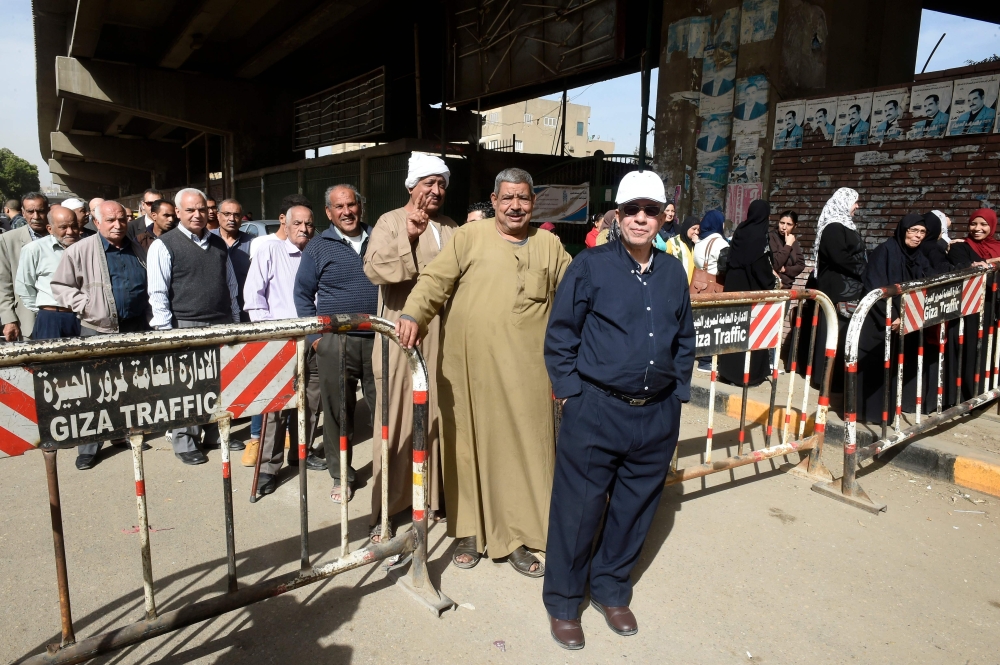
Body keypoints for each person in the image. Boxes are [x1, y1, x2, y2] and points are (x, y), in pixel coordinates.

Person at [542, 170, 694, 649]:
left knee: (634, 508)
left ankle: (610, 586)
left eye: (651, 210)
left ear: (664, 216)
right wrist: (571, 393)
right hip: (596, 409)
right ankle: (565, 601)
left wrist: (678, 393)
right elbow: (562, 333)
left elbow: (684, 336)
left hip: (655, 414)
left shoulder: (672, 271)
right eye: (632, 210)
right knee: (579, 509)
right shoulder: (590, 265)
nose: (641, 219)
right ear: (618, 215)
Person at [395, 167, 572, 577]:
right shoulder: (469, 237)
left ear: (534, 202)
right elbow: (434, 282)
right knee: (467, 450)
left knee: (526, 452)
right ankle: (471, 532)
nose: (515, 206)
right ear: (493, 202)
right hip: (468, 370)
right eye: (507, 198)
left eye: (523, 198)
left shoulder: (549, 245)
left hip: (528, 374)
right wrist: (412, 315)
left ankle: (521, 536)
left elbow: (579, 291)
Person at [363, 152, 459, 541]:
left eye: (441, 184)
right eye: (428, 183)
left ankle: (431, 499)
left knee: (438, 415)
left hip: (444, 338)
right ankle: (386, 508)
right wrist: (411, 235)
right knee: (397, 418)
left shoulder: (451, 227)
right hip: (401, 335)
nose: (435, 191)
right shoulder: (390, 221)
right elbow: (373, 269)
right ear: (411, 186)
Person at [294, 184, 377, 504]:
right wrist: (316, 339)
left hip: (379, 340)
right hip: (335, 343)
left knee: (385, 410)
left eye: (351, 204)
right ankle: (341, 476)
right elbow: (302, 295)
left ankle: (390, 473)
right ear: (329, 213)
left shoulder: (379, 237)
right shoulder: (318, 247)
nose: (347, 212)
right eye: (339, 207)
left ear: (360, 206)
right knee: (337, 412)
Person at [51, 200, 151, 470]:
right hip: (98, 329)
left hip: (134, 328)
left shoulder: (136, 248)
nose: (118, 225)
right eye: (110, 220)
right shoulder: (80, 250)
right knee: (94, 391)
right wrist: (86, 306)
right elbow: (61, 286)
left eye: (122, 219)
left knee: (128, 386)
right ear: (96, 223)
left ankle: (122, 433)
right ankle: (89, 446)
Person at [148, 188, 241, 465]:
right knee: (186, 387)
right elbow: (158, 293)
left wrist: (235, 320)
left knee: (218, 383)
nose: (197, 215)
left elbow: (231, 284)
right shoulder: (164, 245)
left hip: (220, 321)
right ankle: (185, 440)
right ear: (177, 212)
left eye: (201, 209)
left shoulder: (218, 243)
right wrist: (166, 333)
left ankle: (214, 433)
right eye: (190, 210)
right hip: (184, 323)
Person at [242, 204, 322, 495]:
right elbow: (253, 297)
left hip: (314, 339)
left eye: (309, 224)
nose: (304, 229)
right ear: (285, 225)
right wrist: (269, 336)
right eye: (298, 223)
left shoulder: (317, 252)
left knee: (312, 402)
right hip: (280, 340)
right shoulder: (270, 251)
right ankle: (267, 467)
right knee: (275, 407)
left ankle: (302, 450)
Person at [855, 214, 930, 422]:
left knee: (891, 367)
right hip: (878, 319)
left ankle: (885, 414)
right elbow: (874, 286)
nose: (917, 236)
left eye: (922, 232)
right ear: (903, 229)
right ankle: (866, 415)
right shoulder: (885, 251)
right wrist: (892, 316)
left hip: (901, 321)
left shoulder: (917, 256)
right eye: (913, 231)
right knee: (873, 365)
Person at [807, 187, 866, 391]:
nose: (857, 206)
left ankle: (836, 377)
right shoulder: (833, 227)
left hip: (848, 288)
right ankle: (827, 377)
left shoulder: (844, 225)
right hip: (837, 290)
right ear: (844, 202)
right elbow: (839, 257)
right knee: (834, 332)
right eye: (855, 201)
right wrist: (863, 269)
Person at [718, 200, 776, 387]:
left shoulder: (741, 231)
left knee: (733, 330)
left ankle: (727, 372)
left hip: (734, 286)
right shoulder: (759, 236)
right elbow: (760, 267)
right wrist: (771, 282)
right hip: (751, 290)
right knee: (751, 332)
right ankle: (747, 376)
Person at [947, 209, 1000, 404]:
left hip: (994, 307)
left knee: (992, 349)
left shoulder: (997, 246)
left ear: (992, 226)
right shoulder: (960, 246)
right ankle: (972, 397)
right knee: (972, 351)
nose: (977, 229)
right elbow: (965, 266)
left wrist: (989, 261)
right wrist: (994, 263)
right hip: (971, 310)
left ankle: (991, 390)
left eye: (983, 224)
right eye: (973, 224)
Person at [14, 205, 82, 339]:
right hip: (51, 319)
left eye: (74, 226)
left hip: (84, 317)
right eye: (63, 227)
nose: (70, 232)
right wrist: (45, 309)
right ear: (50, 229)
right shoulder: (34, 249)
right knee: (51, 358)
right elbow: (25, 286)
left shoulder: (87, 247)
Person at [0, 192, 50, 341]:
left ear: (48, 211)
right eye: (30, 211)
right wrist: (9, 319)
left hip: (60, 317)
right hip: (26, 321)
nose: (36, 216)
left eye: (40, 211)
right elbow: (4, 283)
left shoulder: (61, 236)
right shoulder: (8, 240)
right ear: (23, 213)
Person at [213, 199, 253, 324]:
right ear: (218, 216)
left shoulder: (253, 243)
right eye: (227, 214)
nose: (232, 219)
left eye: (236, 215)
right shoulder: (208, 240)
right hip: (216, 311)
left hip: (246, 310)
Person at [770, 211, 805, 289]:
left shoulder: (792, 239)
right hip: (774, 287)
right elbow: (775, 264)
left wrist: (785, 270)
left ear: (795, 226)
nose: (784, 227)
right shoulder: (771, 237)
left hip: (787, 288)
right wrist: (788, 245)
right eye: (782, 223)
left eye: (789, 224)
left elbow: (801, 264)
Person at [664, 215, 699, 283]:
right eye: (694, 229)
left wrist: (698, 244)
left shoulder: (698, 244)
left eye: (698, 230)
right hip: (677, 284)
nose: (696, 232)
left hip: (694, 287)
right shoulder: (673, 242)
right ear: (687, 228)